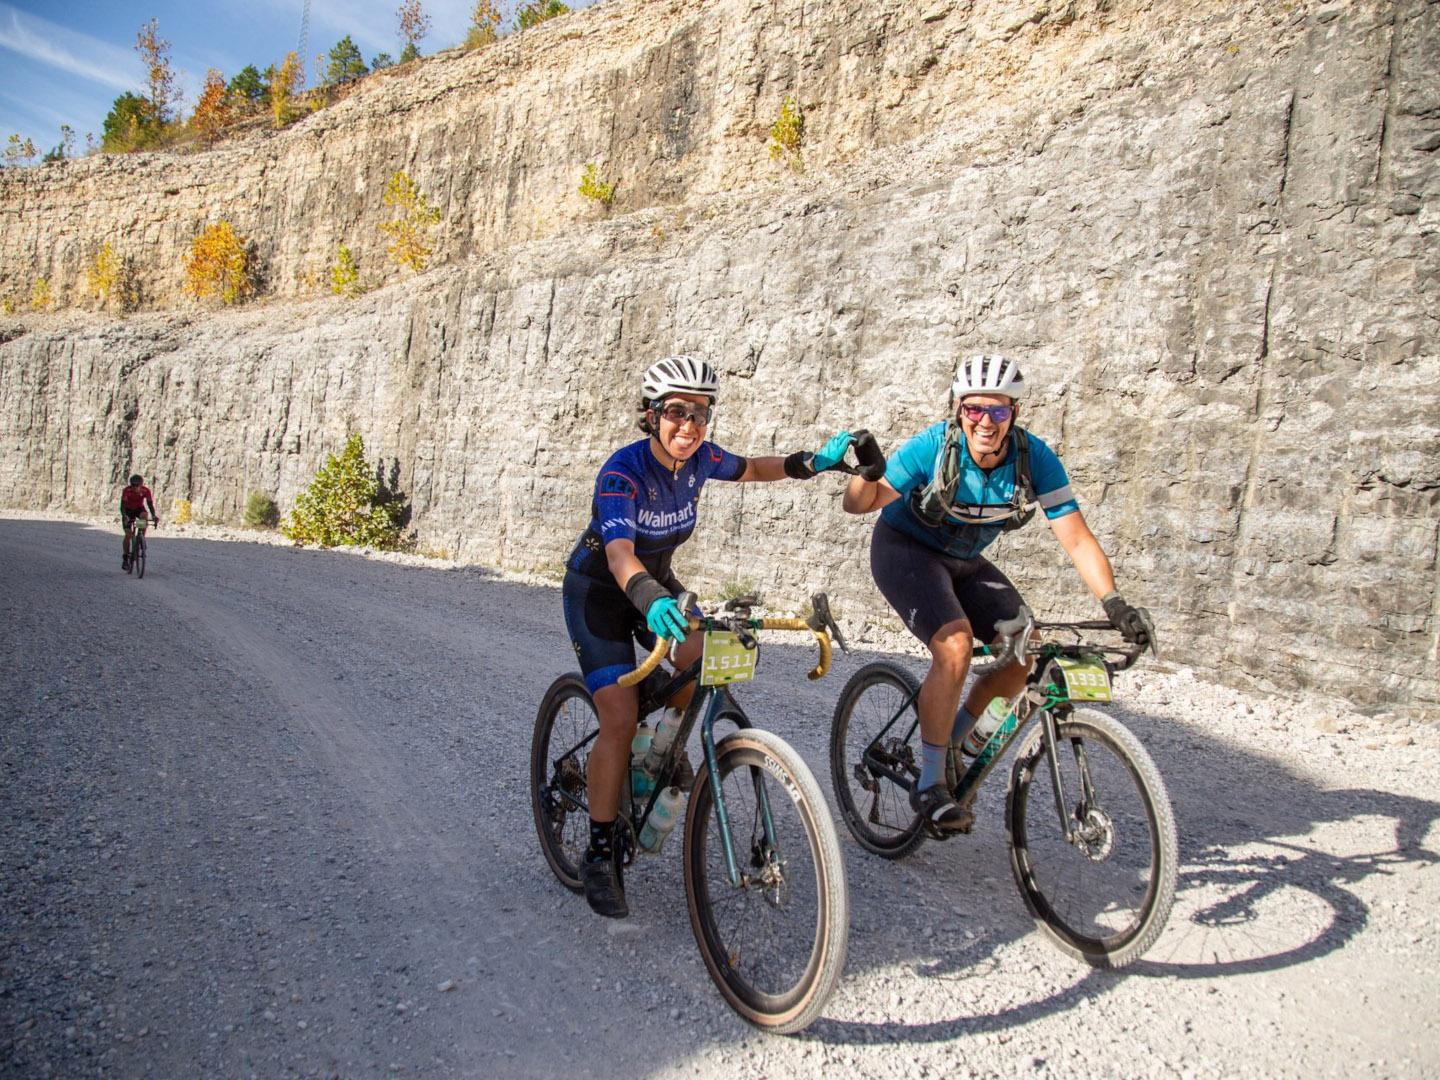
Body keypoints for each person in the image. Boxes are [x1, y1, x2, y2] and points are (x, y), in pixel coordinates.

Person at [564, 354, 882, 917]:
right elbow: (618, 552)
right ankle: (600, 847)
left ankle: (655, 750)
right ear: (651, 414)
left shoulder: (702, 460)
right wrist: (651, 597)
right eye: (676, 412)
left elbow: (756, 469)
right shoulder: (621, 473)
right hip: (603, 592)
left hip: (657, 586)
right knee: (615, 714)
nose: (689, 425)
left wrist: (816, 462)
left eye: (700, 413)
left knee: (703, 665)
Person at [841, 354, 1152, 831]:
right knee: (955, 645)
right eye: (974, 410)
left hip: (965, 560)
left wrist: (1114, 602)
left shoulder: (1033, 458)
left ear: (1015, 414)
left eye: (999, 411)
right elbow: (856, 507)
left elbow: (1075, 535)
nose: (985, 421)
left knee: (1024, 649)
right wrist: (866, 475)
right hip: (905, 551)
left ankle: (959, 742)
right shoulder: (932, 448)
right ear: (959, 410)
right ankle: (929, 783)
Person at [119, 474, 159, 572]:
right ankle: (125, 558)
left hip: (138, 509)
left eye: (137, 485)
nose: (135, 487)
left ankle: (141, 536)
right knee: (128, 535)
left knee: (144, 516)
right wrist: (125, 516)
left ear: (141, 485)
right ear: (130, 485)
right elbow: (122, 506)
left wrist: (153, 516)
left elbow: (150, 504)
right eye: (133, 485)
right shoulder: (127, 491)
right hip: (128, 511)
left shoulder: (145, 491)